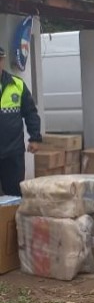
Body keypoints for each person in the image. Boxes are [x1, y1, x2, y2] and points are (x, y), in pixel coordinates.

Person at [0, 47, 42, 197]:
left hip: (13, 152)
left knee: (14, 195)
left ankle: (13, 214)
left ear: (3, 61)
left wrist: (35, 138)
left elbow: (30, 112)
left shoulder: (17, 84)